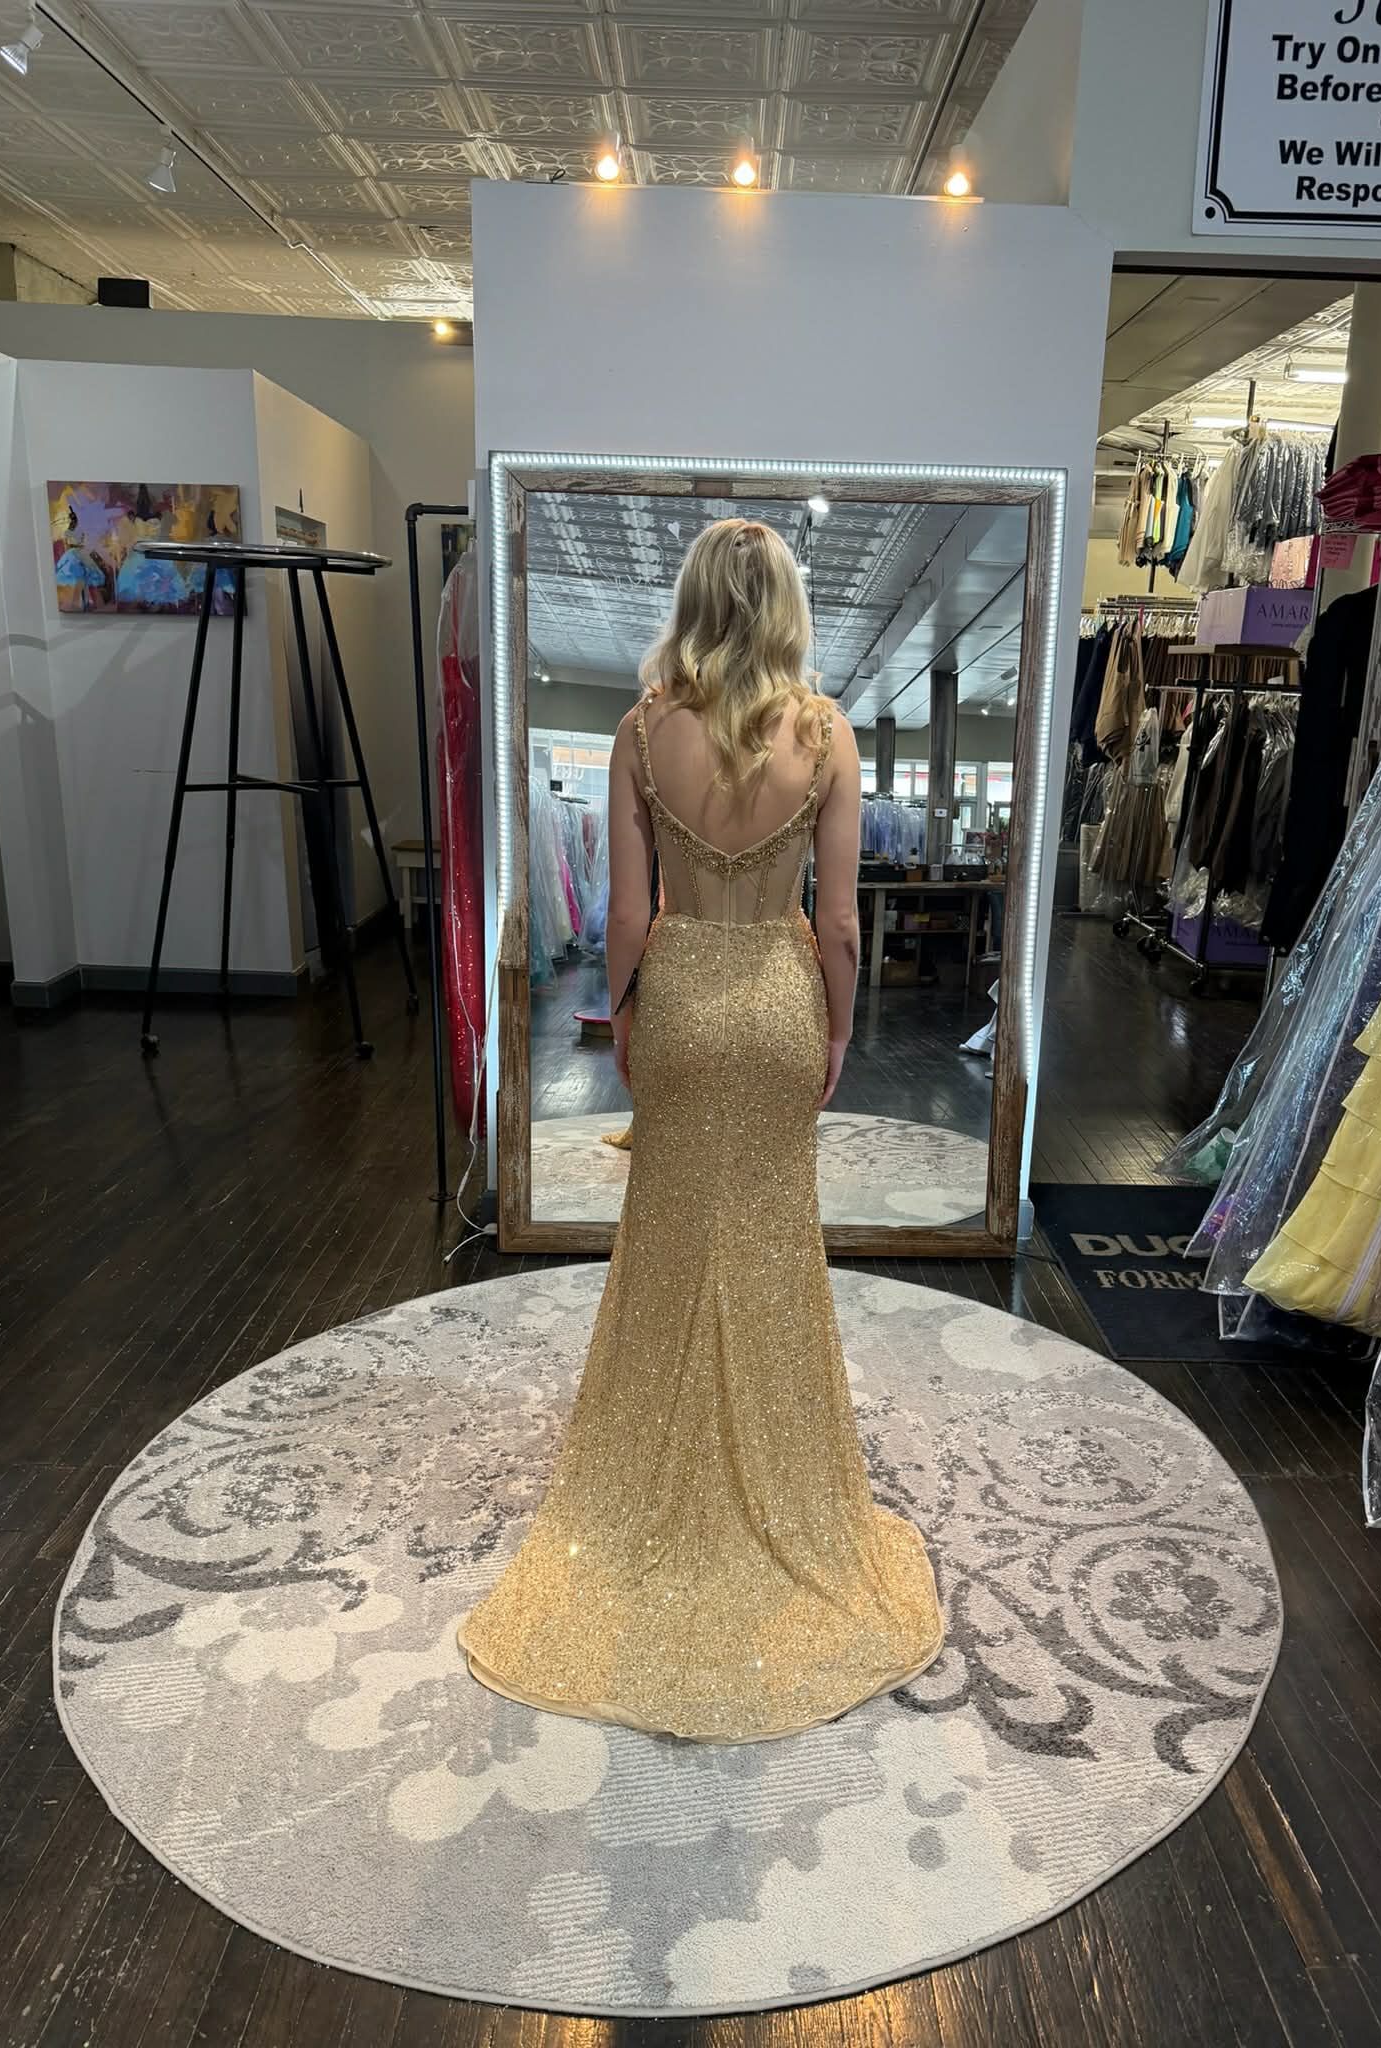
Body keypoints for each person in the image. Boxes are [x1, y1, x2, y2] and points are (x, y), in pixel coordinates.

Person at [458, 518, 944, 1742]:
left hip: (677, 1001)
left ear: (690, 601)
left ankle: (647, 1485)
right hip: (779, 1002)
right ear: (785, 604)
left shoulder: (638, 733)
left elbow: (627, 914)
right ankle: (777, 1481)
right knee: (777, 1246)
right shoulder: (824, 734)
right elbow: (839, 924)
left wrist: (625, 1015)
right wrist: (835, 1033)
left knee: (668, 1239)